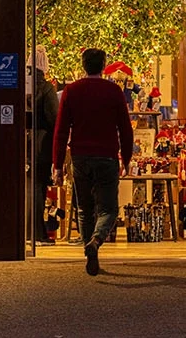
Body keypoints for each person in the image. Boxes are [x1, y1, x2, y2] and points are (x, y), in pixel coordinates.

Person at [53, 48, 134, 276]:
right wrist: (126, 158)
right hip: (107, 156)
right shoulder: (114, 91)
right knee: (108, 208)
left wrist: (58, 164)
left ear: (83, 64)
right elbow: (125, 129)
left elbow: (61, 131)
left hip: (80, 157)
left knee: (84, 208)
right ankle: (97, 240)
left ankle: (92, 253)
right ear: (103, 65)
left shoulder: (71, 91)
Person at [29, 46, 60, 245]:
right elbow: (54, 118)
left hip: (22, 142)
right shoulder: (46, 88)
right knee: (38, 186)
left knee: (25, 185)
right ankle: (38, 232)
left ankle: (23, 230)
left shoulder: (20, 83)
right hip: (41, 142)